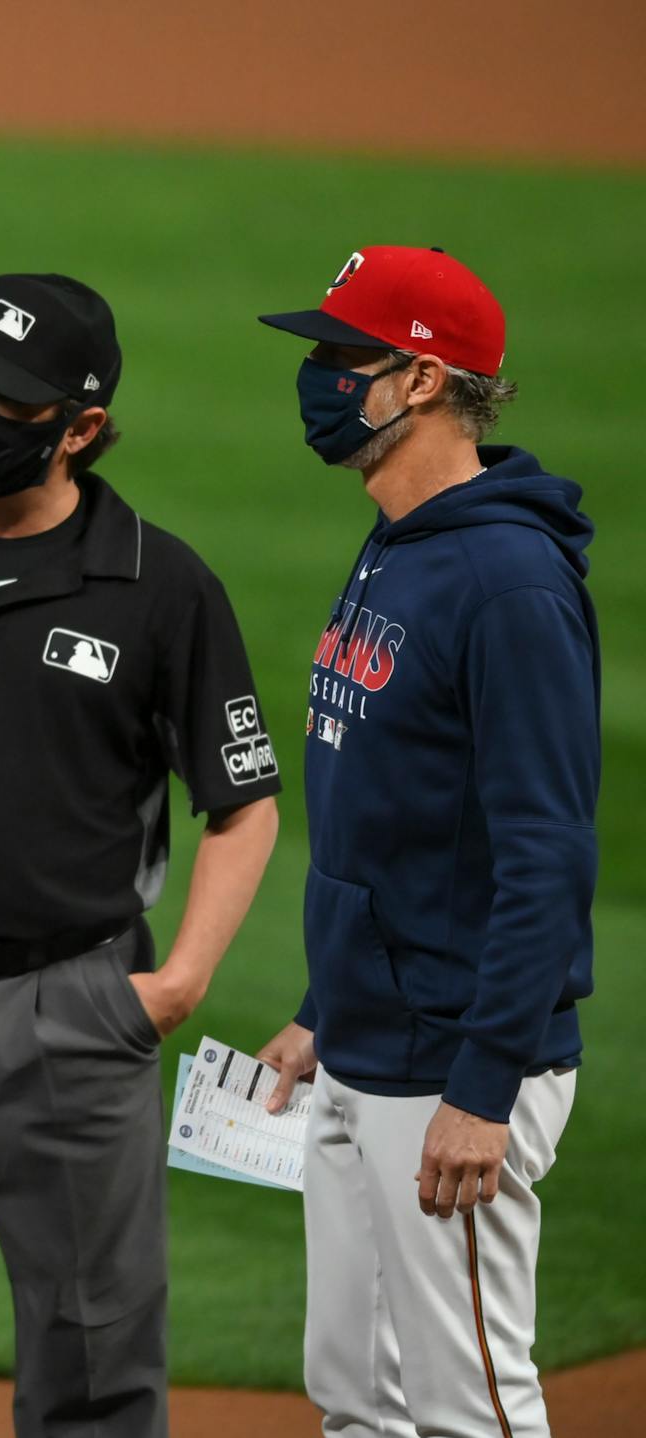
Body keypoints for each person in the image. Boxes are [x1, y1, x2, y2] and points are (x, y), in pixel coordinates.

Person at [0, 274, 280, 1438]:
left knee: (93, 1354)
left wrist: (177, 984)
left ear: (80, 428)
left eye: (5, 396)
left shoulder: (162, 586)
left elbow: (244, 804)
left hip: (71, 1009)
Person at [253, 246, 596, 1438]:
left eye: (344, 356)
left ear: (423, 379)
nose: (318, 375)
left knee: (469, 1408)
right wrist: (324, 1003)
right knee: (357, 1393)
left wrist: (486, 1082)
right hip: (369, 1033)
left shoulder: (508, 583)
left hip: (456, 1057)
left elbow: (545, 851)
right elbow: (396, 822)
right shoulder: (398, 542)